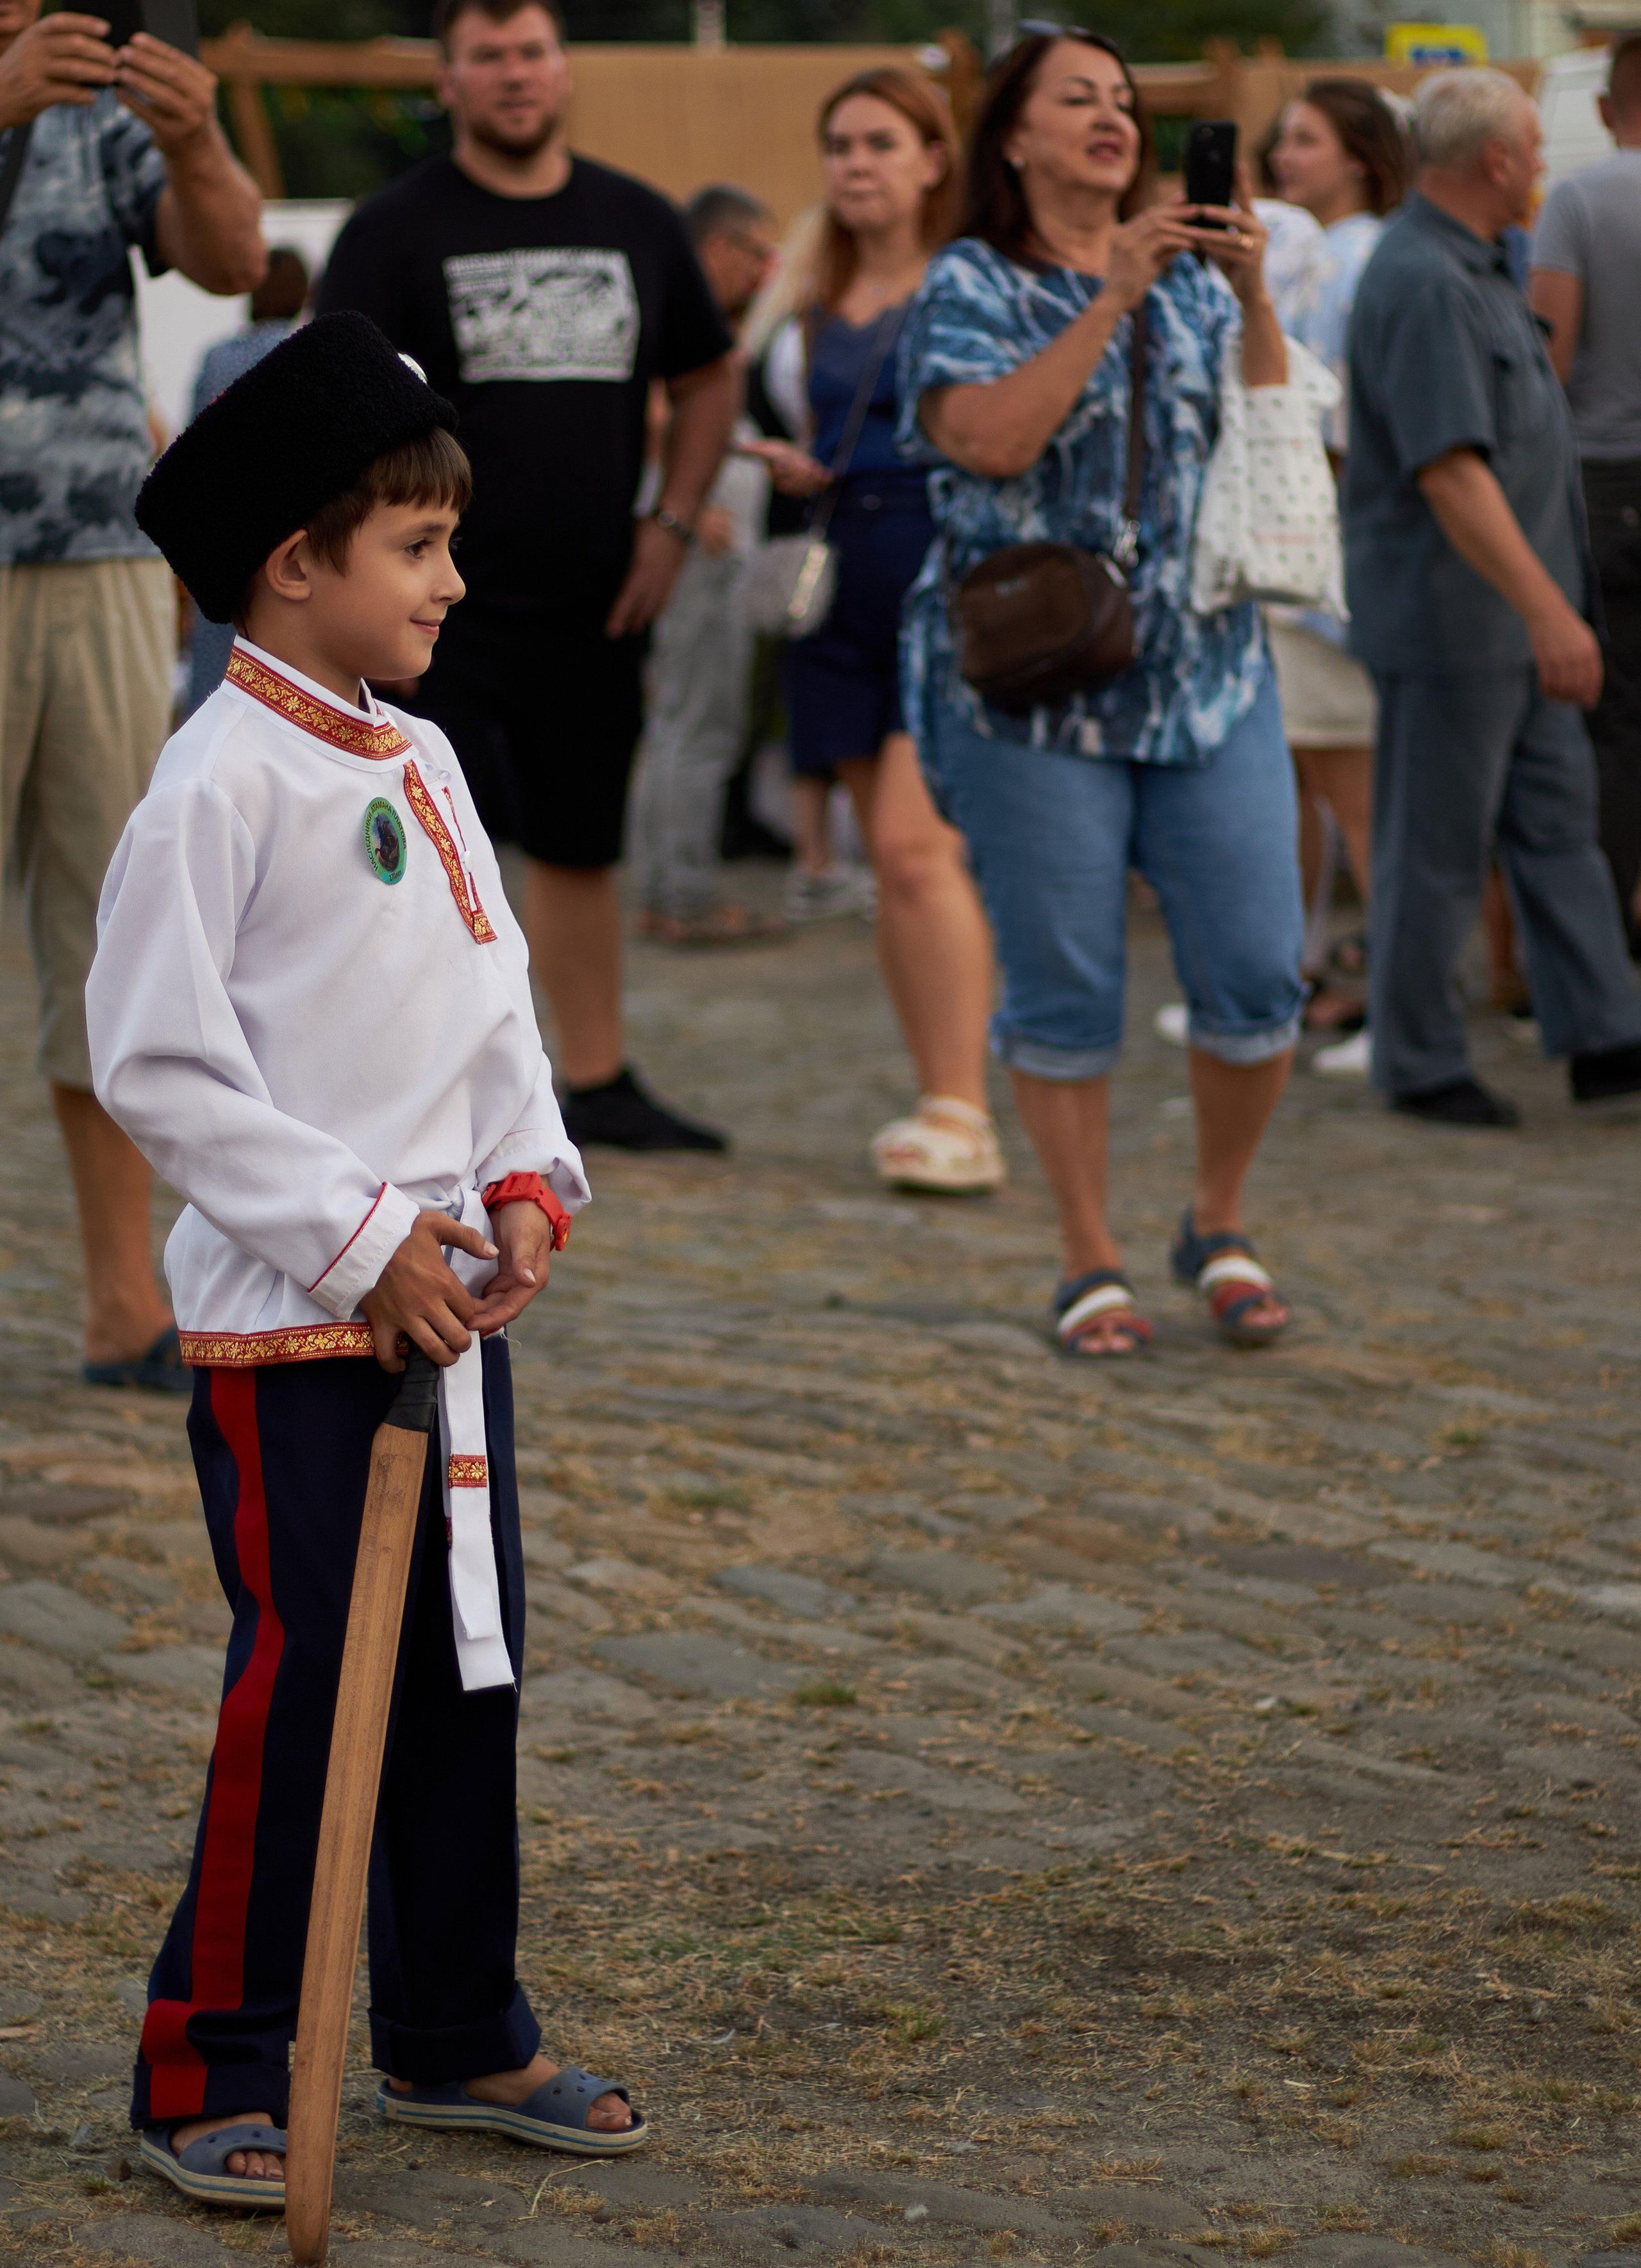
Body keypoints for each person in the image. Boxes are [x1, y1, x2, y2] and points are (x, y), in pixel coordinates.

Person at [87, 313, 644, 2206]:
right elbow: (155, 1059)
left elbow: (494, 1013)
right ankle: (208, 2059)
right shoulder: (214, 784)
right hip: (293, 1325)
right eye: (416, 545)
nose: (452, 578)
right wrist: (353, 1241)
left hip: (450, 1313)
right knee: (312, 1678)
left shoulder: (417, 753)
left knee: (467, 1675)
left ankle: (453, 2023)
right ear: (292, 563)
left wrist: (521, 1184)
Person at [898, 28, 1302, 1353]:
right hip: (1034, 692)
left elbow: (1269, 433)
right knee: (1063, 985)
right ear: (1010, 136)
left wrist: (1242, 295)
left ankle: (1216, 1217)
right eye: (1075, 99)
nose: (1110, 118)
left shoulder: (1187, 275)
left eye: (1123, 101)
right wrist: (1110, 295)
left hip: (1206, 670)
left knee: (1254, 971)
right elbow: (990, 438)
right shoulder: (966, 280)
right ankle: (1086, 1253)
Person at [317, 0, 738, 1154]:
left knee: (579, 841)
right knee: (400, 843)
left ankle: (592, 1077)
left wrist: (673, 517)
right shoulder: (394, 229)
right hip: (430, 609)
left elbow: (709, 375)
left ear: (565, 70)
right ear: (447, 80)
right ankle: (406, 1084)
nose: (515, 75)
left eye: (533, 53)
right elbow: (337, 403)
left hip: (601, 590)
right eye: (488, 56)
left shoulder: (637, 219)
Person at [0, 0, 264, 1389]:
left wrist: (197, 134)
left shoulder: (92, 108)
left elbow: (233, 258)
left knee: (113, 940)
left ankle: (121, 1306)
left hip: (101, 552)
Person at [1345, 67, 1641, 1127]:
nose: (1544, 166)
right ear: (1500, 161)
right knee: (1435, 846)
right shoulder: (1424, 280)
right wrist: (1549, 609)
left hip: (1512, 624)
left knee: (1557, 830)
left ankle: (1605, 1032)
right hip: (1454, 621)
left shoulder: (1475, 268)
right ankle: (1420, 1061)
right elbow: (1451, 473)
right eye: (1533, 144)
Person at [747, 67, 1004, 1196]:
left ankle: (966, 1108)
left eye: (883, 143)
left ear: (935, 156)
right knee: (884, 855)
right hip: (836, 566)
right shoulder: (810, 287)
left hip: (939, 571)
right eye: (841, 144)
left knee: (915, 846)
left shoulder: (974, 278)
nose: (857, 163)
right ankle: (938, 1086)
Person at [1267, 79, 1412, 1073]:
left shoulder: (1356, 260)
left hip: (1327, 560)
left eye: (1305, 140)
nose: (1285, 157)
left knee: (1353, 795)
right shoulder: (1338, 254)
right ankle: (1304, 978)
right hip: (1314, 559)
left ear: (1359, 154)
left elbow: (1339, 428)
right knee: (1321, 789)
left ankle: (1392, 1007)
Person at [629, 183, 783, 945]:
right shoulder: (678, 314)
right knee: (699, 723)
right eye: (757, 254)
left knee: (677, 724)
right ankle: (682, 896)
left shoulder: (678, 307)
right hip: (702, 542)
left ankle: (667, 888)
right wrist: (685, 498)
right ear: (720, 248)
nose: (762, 273)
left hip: (695, 531)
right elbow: (658, 405)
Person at [1530, 31, 1641, 956]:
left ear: (1608, 109)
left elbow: (1548, 360)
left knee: (1612, 727)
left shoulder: (1578, 196)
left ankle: (1607, 949)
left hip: (1608, 481)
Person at [183, 245, 312, 717]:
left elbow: (188, 455)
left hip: (222, 541)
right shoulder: (309, 355)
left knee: (215, 685)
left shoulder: (217, 359)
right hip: (296, 546)